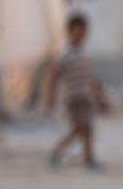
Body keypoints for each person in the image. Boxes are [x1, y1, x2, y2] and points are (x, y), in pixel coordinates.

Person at [47, 14, 110, 170]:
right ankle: (60, 153)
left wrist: (101, 98)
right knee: (82, 128)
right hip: (73, 98)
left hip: (86, 97)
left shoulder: (83, 55)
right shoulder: (65, 54)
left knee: (85, 129)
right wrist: (51, 96)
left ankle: (84, 158)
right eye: (77, 31)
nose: (80, 35)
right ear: (69, 32)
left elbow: (93, 79)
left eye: (83, 31)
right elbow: (54, 75)